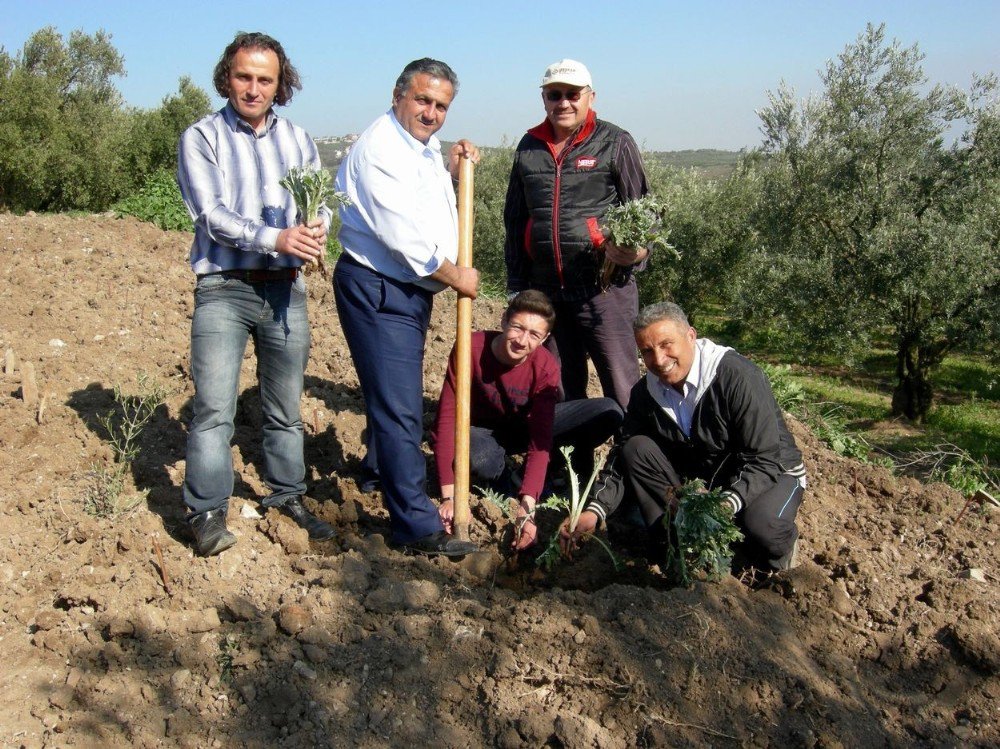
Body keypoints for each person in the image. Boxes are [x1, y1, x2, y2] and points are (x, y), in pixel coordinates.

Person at [176, 32, 336, 556]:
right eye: (244, 76)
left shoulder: (298, 139)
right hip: (224, 287)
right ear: (228, 77)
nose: (253, 87)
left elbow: (320, 201)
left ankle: (288, 496)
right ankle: (206, 511)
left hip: (286, 290)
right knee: (214, 409)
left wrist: (316, 228)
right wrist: (276, 238)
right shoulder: (202, 137)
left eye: (264, 79)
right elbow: (211, 215)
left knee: (285, 407)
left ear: (279, 83)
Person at [334, 58, 481, 557]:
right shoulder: (379, 149)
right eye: (423, 100)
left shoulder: (418, 146)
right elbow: (405, 241)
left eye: (441, 106)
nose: (431, 113)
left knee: (391, 391)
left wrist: (451, 168)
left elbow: (422, 199)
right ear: (398, 94)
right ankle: (416, 526)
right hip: (381, 288)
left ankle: (379, 472)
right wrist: (458, 275)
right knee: (400, 408)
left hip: (405, 292)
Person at [562, 302, 807, 571]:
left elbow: (764, 459)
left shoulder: (736, 377)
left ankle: (777, 558)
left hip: (771, 471)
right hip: (708, 475)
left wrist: (727, 503)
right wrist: (595, 510)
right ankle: (674, 550)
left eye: (667, 344)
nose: (658, 359)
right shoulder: (646, 392)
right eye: (647, 351)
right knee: (636, 447)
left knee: (762, 527)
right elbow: (622, 455)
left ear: (691, 336)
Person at [503, 58, 650, 410]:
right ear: (544, 98)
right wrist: (517, 285)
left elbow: (646, 210)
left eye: (573, 94)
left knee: (621, 382)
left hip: (603, 289)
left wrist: (639, 253)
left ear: (590, 97)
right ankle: (567, 461)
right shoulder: (528, 146)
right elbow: (514, 220)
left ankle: (630, 461)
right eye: (555, 94)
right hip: (547, 291)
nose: (563, 102)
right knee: (558, 387)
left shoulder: (615, 141)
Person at [431, 290, 623, 550]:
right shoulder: (470, 348)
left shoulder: (545, 367)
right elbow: (445, 421)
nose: (522, 340)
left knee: (608, 411)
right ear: (503, 321)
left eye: (534, 335)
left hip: (523, 428)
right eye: (518, 328)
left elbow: (540, 439)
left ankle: (539, 475)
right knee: (478, 458)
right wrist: (449, 496)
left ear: (544, 338)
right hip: (480, 432)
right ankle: (505, 478)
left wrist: (526, 509)